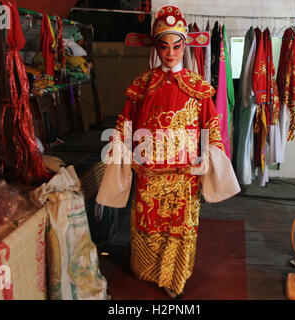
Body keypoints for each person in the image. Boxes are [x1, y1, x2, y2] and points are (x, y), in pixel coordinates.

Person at [96, 4, 240, 299]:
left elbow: (212, 126)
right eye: (164, 47)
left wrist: (208, 155)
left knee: (180, 228)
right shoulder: (142, 85)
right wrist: (121, 148)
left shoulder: (198, 87)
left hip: (185, 175)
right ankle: (146, 269)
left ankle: (176, 279)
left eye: (176, 46)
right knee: (148, 222)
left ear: (184, 46)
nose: (171, 53)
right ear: (157, 48)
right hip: (149, 174)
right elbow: (124, 123)